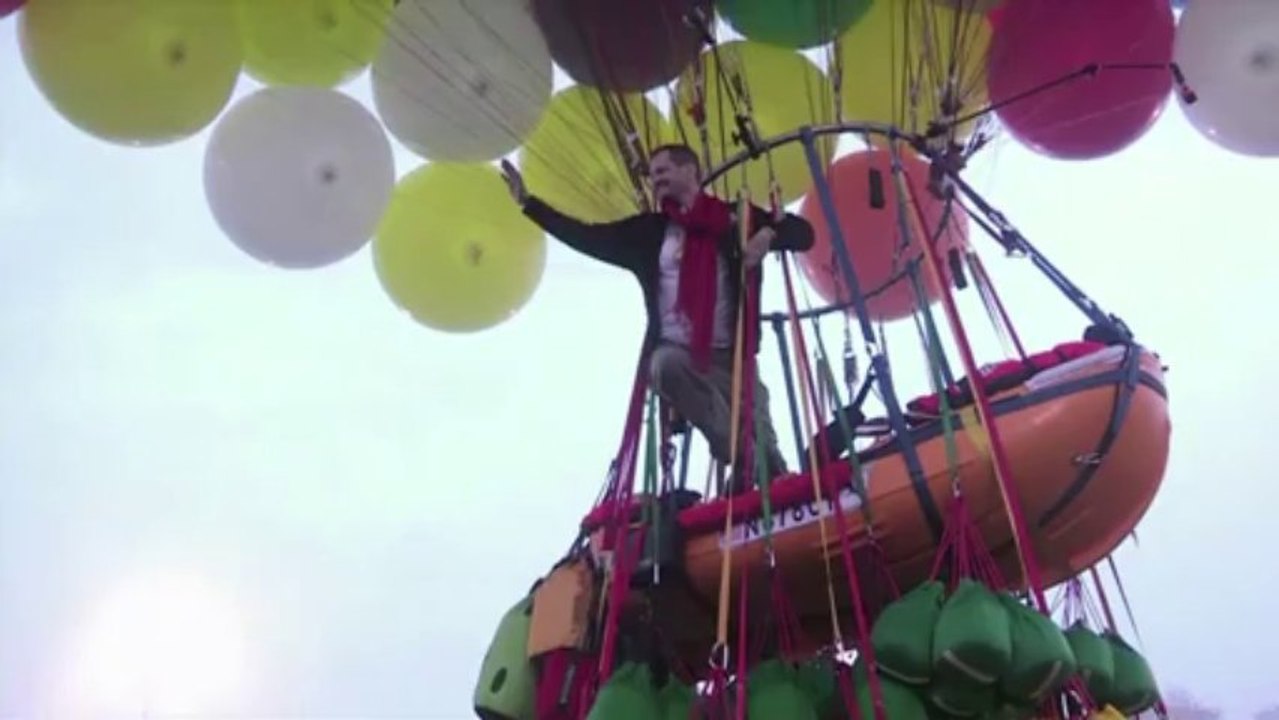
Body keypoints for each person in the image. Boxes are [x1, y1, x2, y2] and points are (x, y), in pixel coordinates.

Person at [500, 143, 815, 493]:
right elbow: (587, 236)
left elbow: (804, 235)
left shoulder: (736, 217)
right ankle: (739, 452)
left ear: (690, 170)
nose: (656, 181)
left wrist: (768, 235)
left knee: (771, 460)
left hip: (736, 358)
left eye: (663, 171)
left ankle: (764, 469)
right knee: (664, 366)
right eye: (653, 176)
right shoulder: (648, 233)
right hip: (683, 356)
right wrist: (529, 204)